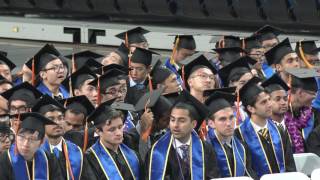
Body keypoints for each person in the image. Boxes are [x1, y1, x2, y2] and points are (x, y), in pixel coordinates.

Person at [146, 90, 221, 179]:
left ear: (193, 124)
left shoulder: (206, 149)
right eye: (172, 120)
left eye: (182, 121)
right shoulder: (157, 151)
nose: (175, 125)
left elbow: (213, 176)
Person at [234, 78, 296, 178]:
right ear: (251, 108)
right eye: (263, 102)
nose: (269, 104)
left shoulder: (279, 130)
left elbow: (290, 164)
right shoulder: (239, 135)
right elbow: (246, 169)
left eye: (269, 99)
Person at [32, 95, 92, 179]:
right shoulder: (33, 152)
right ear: (41, 123)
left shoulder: (76, 151)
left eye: (60, 118)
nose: (57, 122)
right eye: (51, 119)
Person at [205, 91, 258, 179]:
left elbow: (249, 173)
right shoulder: (206, 148)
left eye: (231, 117)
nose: (229, 123)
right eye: (222, 119)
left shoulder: (242, 146)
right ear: (211, 123)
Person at [85, 101, 143, 180]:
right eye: (112, 130)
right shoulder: (90, 158)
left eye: (120, 127)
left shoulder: (132, 152)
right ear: (98, 132)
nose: (118, 133)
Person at [0, 112, 63, 180]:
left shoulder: (50, 160)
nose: (25, 144)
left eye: (32, 139)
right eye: (22, 137)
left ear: (41, 142)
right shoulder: (5, 160)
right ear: (16, 137)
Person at [284, 68, 319, 153]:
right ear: (300, 93)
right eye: (313, 95)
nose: (314, 100)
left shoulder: (313, 114)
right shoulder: (280, 114)